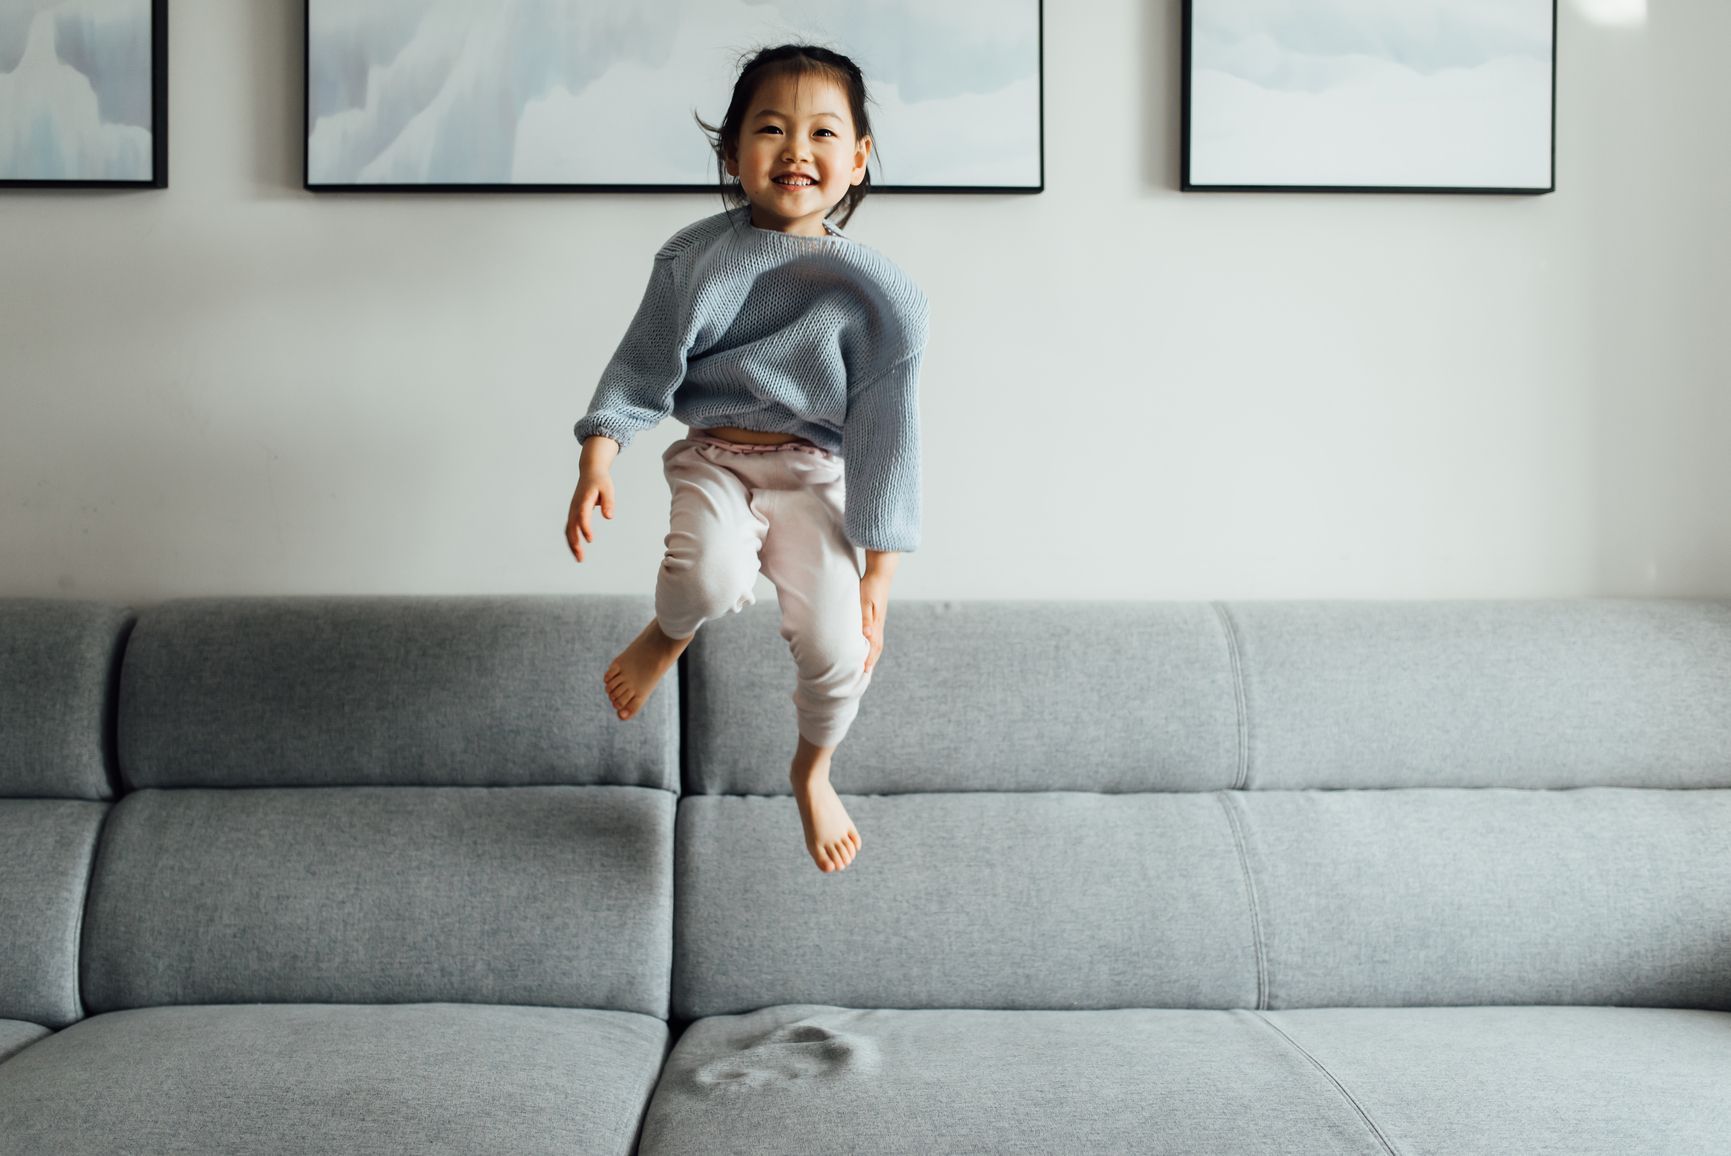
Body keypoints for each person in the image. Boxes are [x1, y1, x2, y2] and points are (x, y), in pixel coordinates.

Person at [563, 43, 930, 876]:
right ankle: (668, 633)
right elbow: (639, 366)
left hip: (814, 474)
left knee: (840, 649)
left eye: (822, 133)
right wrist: (598, 457)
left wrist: (879, 572)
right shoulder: (694, 259)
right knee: (705, 582)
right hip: (715, 460)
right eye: (770, 129)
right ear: (731, 152)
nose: (797, 151)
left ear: (859, 158)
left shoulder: (881, 297)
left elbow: (888, 433)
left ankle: (812, 769)